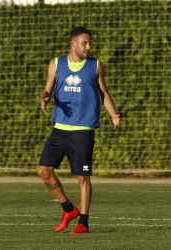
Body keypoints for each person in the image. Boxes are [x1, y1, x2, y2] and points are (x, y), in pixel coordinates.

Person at [38, 26, 120, 234]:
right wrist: (45, 95)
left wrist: (113, 113)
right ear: (73, 43)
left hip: (83, 130)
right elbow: (48, 87)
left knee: (83, 177)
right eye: (85, 43)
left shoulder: (95, 65)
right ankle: (68, 209)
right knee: (44, 171)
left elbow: (104, 93)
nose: (89, 47)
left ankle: (83, 222)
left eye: (90, 43)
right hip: (59, 128)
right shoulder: (56, 63)